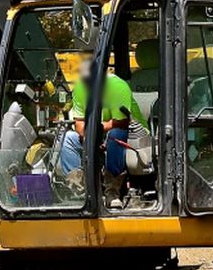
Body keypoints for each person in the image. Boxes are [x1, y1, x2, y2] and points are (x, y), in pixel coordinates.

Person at [57, 64, 148, 207]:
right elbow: (79, 123)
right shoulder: (80, 90)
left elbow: (122, 122)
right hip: (98, 133)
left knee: (115, 135)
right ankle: (79, 191)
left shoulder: (118, 87)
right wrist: (89, 137)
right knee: (68, 138)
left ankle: (112, 190)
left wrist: (96, 132)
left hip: (133, 135)